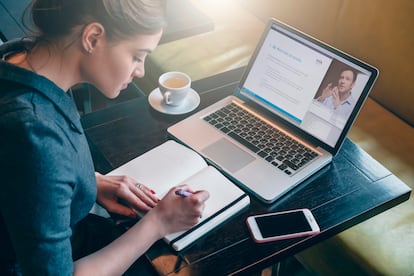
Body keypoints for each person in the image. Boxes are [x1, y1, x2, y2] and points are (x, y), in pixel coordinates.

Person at [0, 0, 209, 275]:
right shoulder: (35, 134)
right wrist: (158, 223)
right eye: (137, 55)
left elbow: (16, 174)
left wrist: (89, 181)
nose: (141, 71)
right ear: (93, 37)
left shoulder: (19, 55)